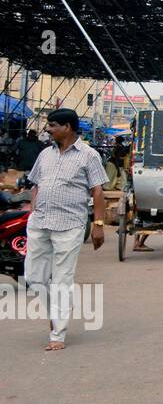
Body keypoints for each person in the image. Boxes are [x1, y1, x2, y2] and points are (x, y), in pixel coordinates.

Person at [24, 108, 107, 351]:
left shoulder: (89, 155)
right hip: (40, 223)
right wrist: (33, 208)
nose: (48, 129)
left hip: (69, 225)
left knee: (62, 279)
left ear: (67, 127)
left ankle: (57, 334)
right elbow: (36, 184)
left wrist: (99, 226)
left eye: (52, 125)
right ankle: (55, 314)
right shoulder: (45, 154)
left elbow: (98, 191)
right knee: (33, 277)